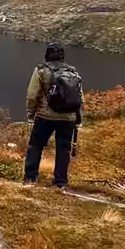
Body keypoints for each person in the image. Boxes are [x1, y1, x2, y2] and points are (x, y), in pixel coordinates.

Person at [23, 43, 83, 189]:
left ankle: (30, 178)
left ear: (47, 55)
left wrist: (30, 115)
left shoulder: (41, 70)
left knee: (36, 146)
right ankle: (60, 183)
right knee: (63, 150)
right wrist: (78, 120)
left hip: (45, 116)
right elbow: (80, 98)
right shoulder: (72, 71)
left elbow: (32, 95)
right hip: (68, 118)